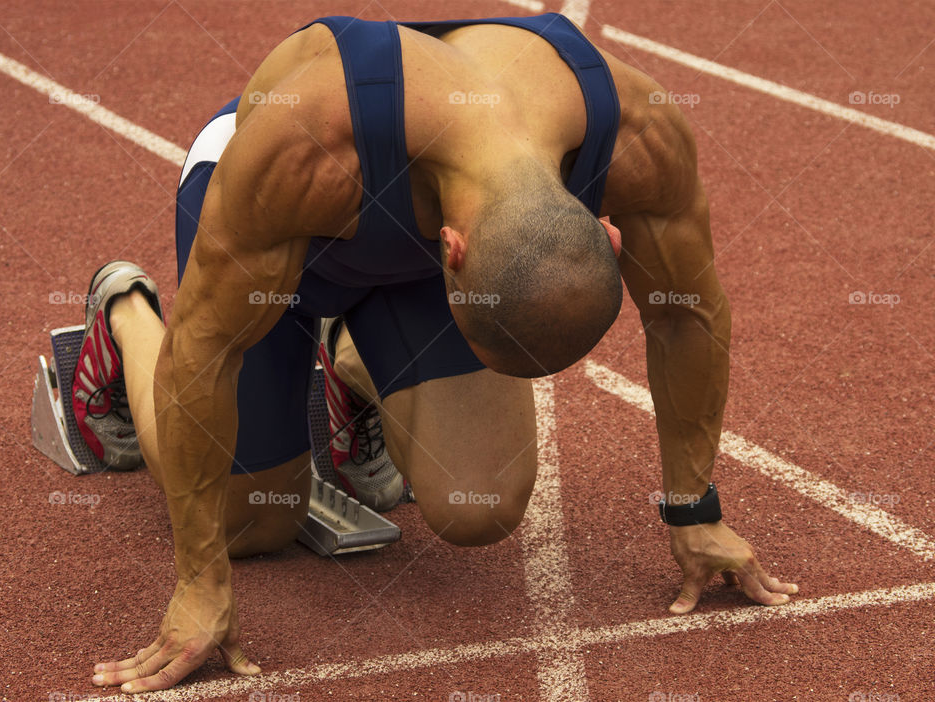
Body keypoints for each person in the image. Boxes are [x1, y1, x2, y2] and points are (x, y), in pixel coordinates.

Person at [78, 14, 798, 694]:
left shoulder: (640, 136)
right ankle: (125, 314)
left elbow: (686, 318)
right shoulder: (306, 148)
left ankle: (350, 361)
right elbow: (203, 355)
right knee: (254, 526)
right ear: (453, 256)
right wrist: (199, 582)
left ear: (601, 229)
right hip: (272, 232)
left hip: (421, 238)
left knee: (477, 506)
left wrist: (694, 509)